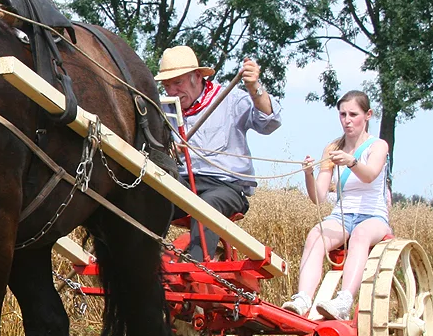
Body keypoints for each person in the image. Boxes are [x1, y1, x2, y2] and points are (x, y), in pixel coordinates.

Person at [155, 46, 281, 261]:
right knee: (147, 194)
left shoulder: (229, 99)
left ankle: (196, 269)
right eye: (167, 85)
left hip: (226, 186)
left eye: (178, 83)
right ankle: (142, 263)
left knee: (207, 206)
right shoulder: (160, 108)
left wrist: (254, 88)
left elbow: (269, 122)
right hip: (181, 183)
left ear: (197, 76)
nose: (172, 91)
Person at [282, 90, 391, 320]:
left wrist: (351, 161)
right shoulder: (332, 149)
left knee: (361, 235)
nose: (347, 120)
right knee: (316, 235)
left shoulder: (378, 146)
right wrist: (309, 174)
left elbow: (370, 175)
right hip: (342, 215)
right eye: (343, 114)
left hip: (373, 216)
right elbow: (319, 198)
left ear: (368, 115)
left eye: (353, 114)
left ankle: (344, 301)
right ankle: (303, 299)